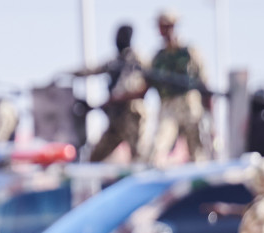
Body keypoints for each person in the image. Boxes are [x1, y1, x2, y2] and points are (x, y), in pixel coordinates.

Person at [74, 24, 148, 163]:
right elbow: (93, 70)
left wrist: (106, 102)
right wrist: (71, 74)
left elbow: (128, 87)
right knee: (94, 158)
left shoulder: (136, 59)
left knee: (138, 160)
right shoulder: (116, 61)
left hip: (131, 116)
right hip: (115, 120)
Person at [147, 9, 209, 166]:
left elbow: (204, 83)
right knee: (158, 149)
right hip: (168, 107)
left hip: (189, 105)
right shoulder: (158, 57)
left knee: (197, 153)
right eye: (162, 27)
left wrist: (209, 114)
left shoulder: (188, 52)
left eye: (168, 26)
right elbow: (147, 84)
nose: (165, 31)